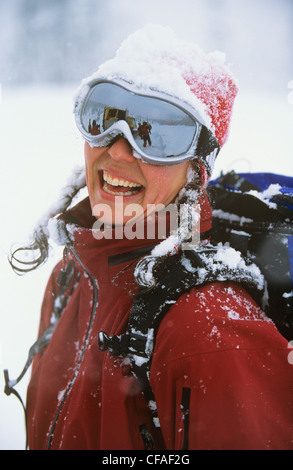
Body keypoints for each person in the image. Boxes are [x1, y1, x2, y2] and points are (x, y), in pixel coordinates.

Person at [9, 24, 293, 450]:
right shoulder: (73, 274)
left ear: (197, 169)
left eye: (158, 133)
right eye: (103, 115)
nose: (118, 150)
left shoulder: (208, 328)